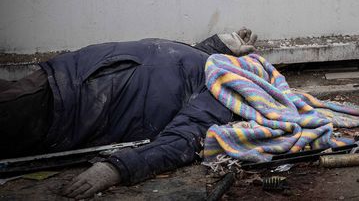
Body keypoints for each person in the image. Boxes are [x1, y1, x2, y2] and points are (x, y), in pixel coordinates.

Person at [0, 28, 257, 199]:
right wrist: (216, 46)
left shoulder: (218, 84)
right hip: (72, 97)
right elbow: (184, 136)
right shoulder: (216, 73)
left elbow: (185, 135)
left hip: (72, 91)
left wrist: (118, 167)